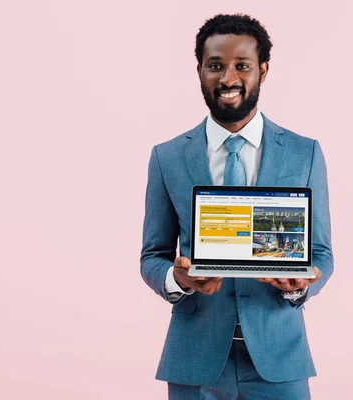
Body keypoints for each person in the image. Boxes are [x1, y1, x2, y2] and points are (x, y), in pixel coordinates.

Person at [140, 13, 334, 399]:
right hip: (195, 357)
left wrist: (300, 287)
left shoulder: (304, 153)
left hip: (279, 355)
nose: (228, 79)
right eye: (215, 66)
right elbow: (153, 256)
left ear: (262, 70)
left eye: (241, 66)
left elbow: (321, 253)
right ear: (200, 71)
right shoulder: (167, 157)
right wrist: (177, 279)